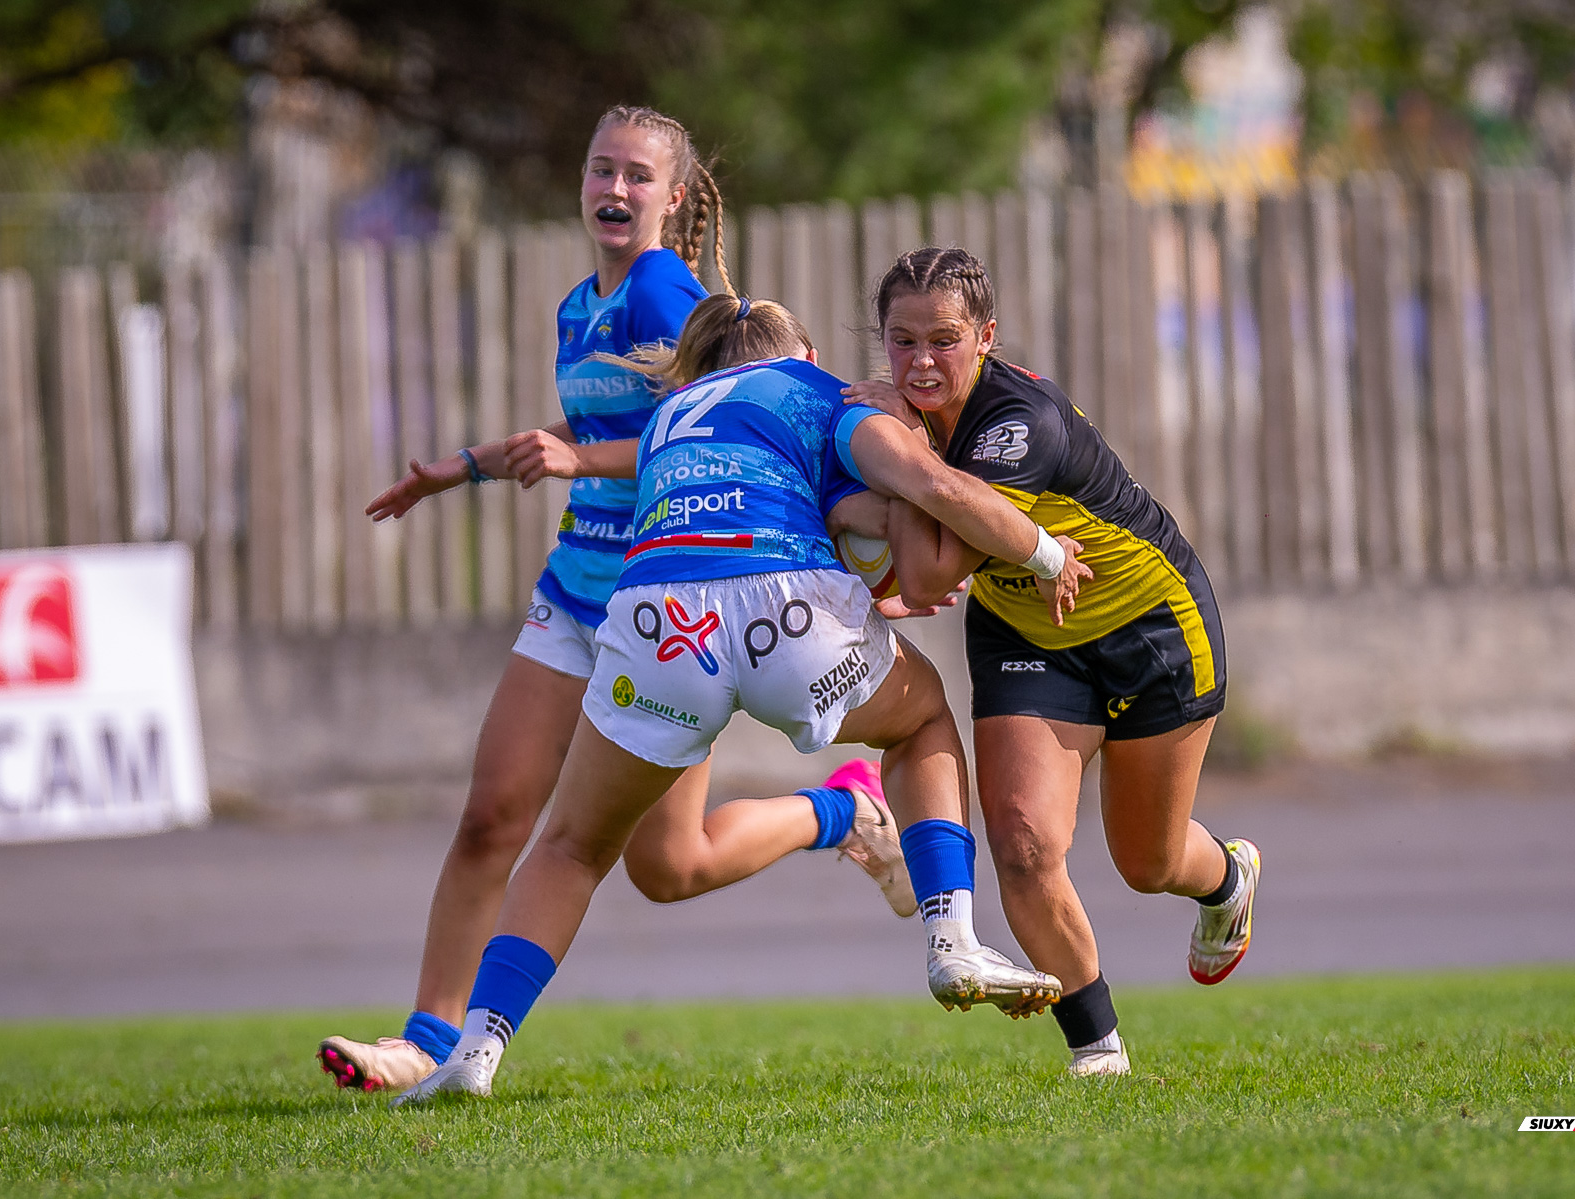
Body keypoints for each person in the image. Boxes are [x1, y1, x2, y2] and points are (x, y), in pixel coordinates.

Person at [317, 108, 911, 1095]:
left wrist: (577, 457)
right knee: (492, 816)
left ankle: (839, 809)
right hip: (575, 586)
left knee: (668, 867)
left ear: (674, 198)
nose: (618, 188)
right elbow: (591, 422)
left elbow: (709, 426)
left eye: (640, 175)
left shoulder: (669, 293)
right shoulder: (576, 307)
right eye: (604, 168)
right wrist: (462, 467)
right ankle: (428, 1038)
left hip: (669, 603)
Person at [393, 294, 1090, 1104]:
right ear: (797, 353)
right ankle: (953, 936)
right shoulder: (817, 392)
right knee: (924, 713)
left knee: (570, 848)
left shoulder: (669, 419)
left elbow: (803, 506)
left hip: (659, 620)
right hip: (780, 612)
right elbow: (926, 489)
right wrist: (1043, 554)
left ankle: (474, 1053)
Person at [842, 247, 1261, 1079]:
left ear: (986, 337)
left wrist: (892, 462)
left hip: (1151, 629)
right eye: (901, 340)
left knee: (1148, 861)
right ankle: (1098, 1057)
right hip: (1027, 633)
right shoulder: (898, 416)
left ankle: (1226, 879)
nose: (922, 361)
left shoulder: (1013, 425)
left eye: (945, 339)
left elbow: (926, 573)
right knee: (1026, 845)